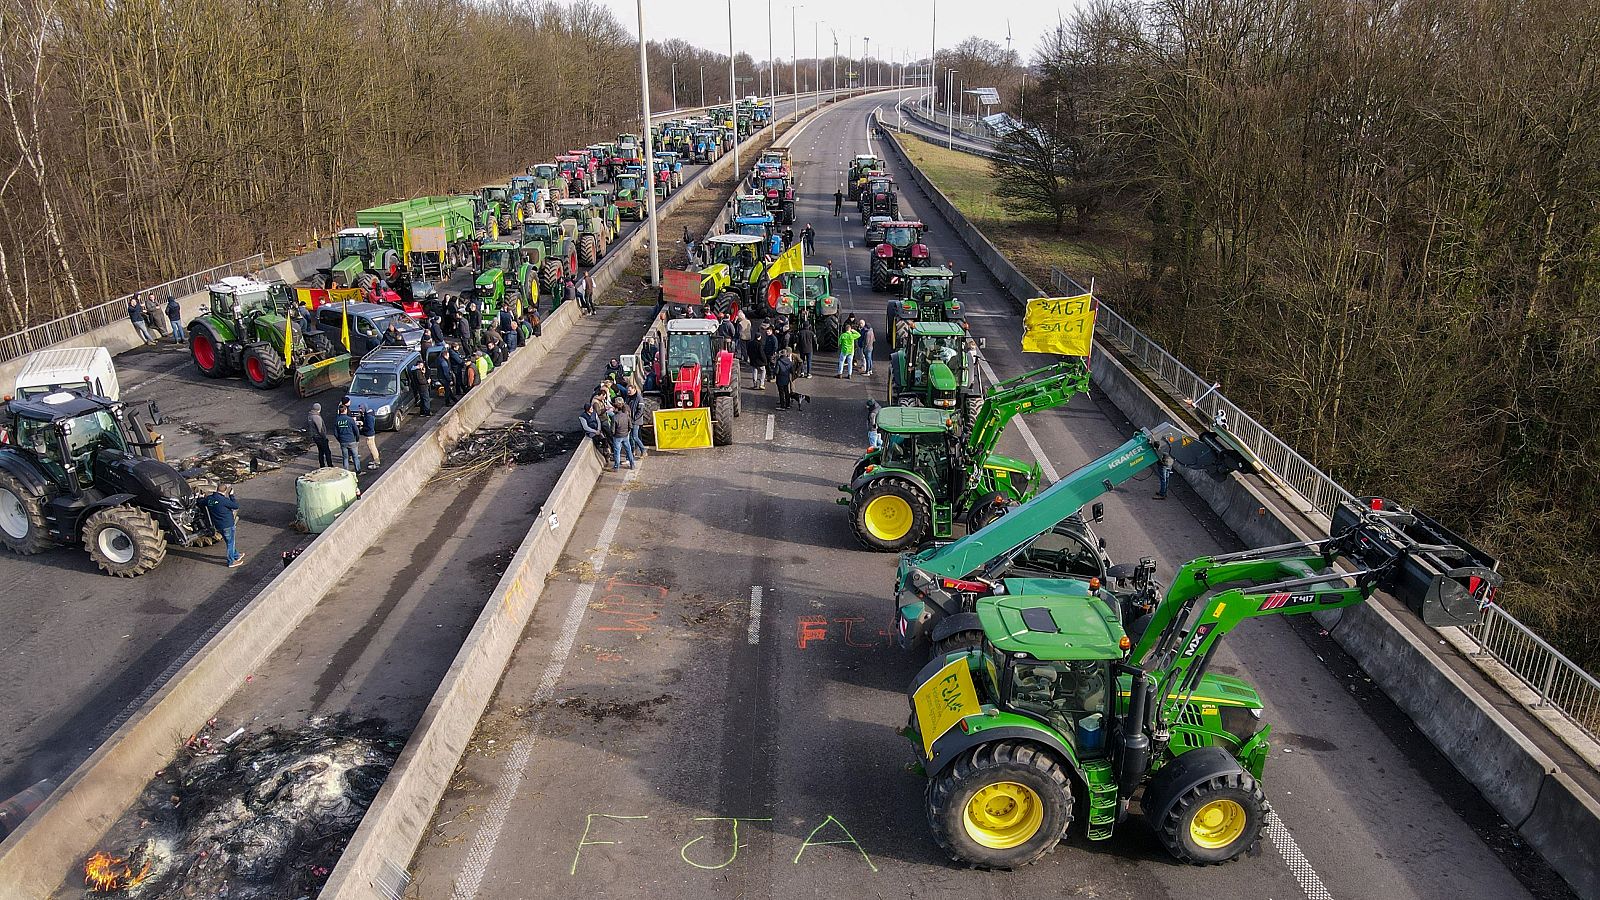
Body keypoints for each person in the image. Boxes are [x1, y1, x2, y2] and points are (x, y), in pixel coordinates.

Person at [203, 485, 244, 568]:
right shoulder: (224, 500)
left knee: (229, 540)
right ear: (225, 491)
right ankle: (231, 561)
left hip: (219, 525)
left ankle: (236, 555)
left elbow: (201, 502)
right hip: (227, 525)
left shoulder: (210, 499)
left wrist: (199, 497)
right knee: (230, 542)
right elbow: (235, 506)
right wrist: (231, 495)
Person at [608, 398, 636, 471]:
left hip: (617, 436)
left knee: (617, 452)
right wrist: (627, 432)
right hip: (625, 435)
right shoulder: (626, 416)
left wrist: (613, 434)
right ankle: (632, 464)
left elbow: (612, 430)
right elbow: (630, 426)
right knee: (628, 450)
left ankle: (616, 467)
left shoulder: (614, 417)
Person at [334, 401, 362, 472]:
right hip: (351, 440)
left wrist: (339, 440)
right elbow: (356, 431)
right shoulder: (350, 420)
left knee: (345, 458)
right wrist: (357, 439)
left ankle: (346, 472)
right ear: (345, 410)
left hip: (343, 441)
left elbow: (335, 433)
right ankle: (358, 471)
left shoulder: (337, 420)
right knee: (355, 457)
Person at [622, 381, 646, 457]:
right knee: (631, 438)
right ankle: (633, 451)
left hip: (636, 421)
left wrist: (634, 418)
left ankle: (643, 450)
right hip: (629, 420)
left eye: (629, 390)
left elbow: (641, 411)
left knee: (635, 437)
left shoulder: (639, 399)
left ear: (634, 390)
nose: (628, 392)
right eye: (628, 390)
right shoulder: (628, 397)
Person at [306, 402, 334, 468]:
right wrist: (324, 437)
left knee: (320, 451)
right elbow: (320, 429)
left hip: (315, 437)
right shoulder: (316, 417)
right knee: (327, 452)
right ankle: (330, 465)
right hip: (320, 437)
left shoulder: (310, 416)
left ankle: (322, 465)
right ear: (319, 409)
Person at [748, 325, 770, 390]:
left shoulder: (750, 343)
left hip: (753, 361)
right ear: (759, 337)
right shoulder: (759, 345)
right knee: (763, 371)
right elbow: (761, 354)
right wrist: (765, 361)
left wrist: (750, 358)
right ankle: (761, 384)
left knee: (754, 372)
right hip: (760, 361)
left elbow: (748, 351)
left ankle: (755, 384)